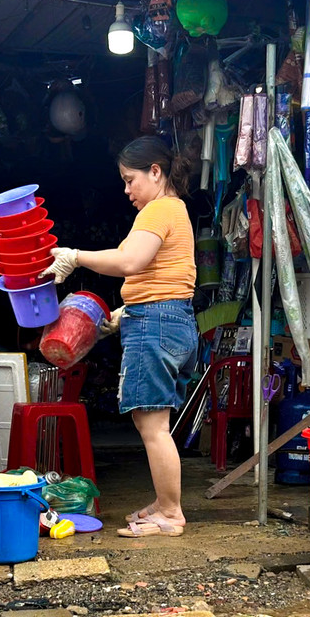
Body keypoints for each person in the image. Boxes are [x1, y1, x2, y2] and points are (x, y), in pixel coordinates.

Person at [45, 135, 198, 537]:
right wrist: (126, 310)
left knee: (153, 427)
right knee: (156, 423)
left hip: (157, 324)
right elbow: (165, 275)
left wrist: (74, 256)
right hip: (170, 318)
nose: (127, 190)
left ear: (155, 172)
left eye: (131, 180)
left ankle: (171, 514)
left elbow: (130, 261)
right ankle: (166, 504)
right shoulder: (175, 210)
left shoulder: (156, 211)